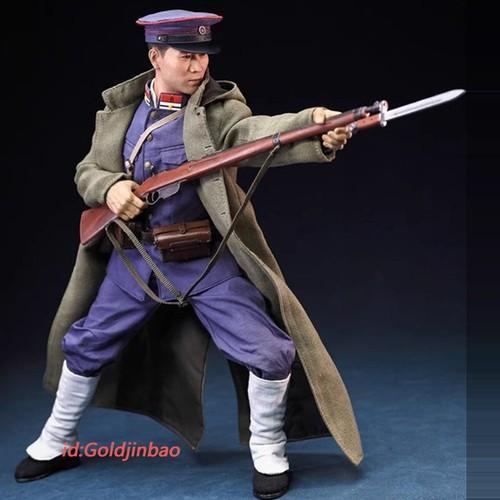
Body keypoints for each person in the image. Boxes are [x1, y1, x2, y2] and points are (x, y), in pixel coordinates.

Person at [15, 9, 363, 499]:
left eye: (203, 55)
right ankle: (57, 439)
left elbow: (260, 135)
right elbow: (87, 171)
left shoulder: (217, 113)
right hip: (137, 259)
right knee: (86, 343)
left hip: (205, 261)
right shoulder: (121, 114)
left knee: (269, 350)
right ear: (155, 57)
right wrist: (111, 188)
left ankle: (268, 446)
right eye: (186, 55)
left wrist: (314, 125)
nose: (198, 65)